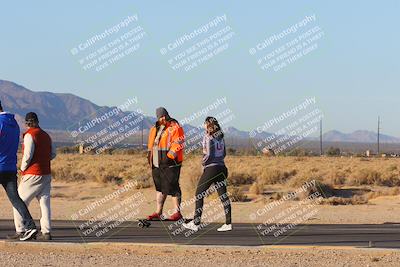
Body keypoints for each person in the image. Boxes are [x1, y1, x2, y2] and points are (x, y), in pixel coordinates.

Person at [9, 112, 56, 241]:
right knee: (44, 204)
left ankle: (21, 230)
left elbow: (27, 155)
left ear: (27, 123)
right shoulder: (46, 135)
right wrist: (43, 160)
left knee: (18, 202)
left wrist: (23, 168)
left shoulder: (30, 135)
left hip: (32, 174)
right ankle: (46, 232)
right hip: (46, 174)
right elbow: (53, 154)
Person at [183, 117, 232, 232]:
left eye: (204, 123)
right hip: (222, 168)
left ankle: (196, 223)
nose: (203, 125)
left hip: (211, 168)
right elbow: (224, 153)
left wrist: (203, 163)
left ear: (208, 125)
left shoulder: (207, 136)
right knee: (223, 195)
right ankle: (228, 223)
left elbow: (208, 154)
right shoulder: (221, 137)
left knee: (199, 194)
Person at [0, 101, 38, 241]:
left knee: (16, 198)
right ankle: (30, 226)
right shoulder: (14, 123)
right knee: (16, 199)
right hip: (9, 167)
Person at [147, 107, 185, 221]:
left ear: (166, 115)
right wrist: (149, 157)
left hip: (171, 163)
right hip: (156, 163)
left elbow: (179, 142)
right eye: (159, 117)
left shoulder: (175, 127)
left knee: (173, 186)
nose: (161, 118)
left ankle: (177, 213)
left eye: (162, 116)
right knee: (160, 187)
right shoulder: (154, 128)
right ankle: (158, 212)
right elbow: (151, 144)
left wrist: (170, 156)